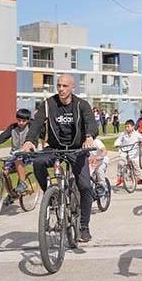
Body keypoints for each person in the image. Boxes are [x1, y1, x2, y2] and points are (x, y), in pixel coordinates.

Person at [20, 74, 98, 242]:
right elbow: (36, 124)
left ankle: (84, 226)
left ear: (72, 87)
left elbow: (91, 122)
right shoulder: (49, 104)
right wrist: (29, 141)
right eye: (59, 86)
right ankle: (51, 194)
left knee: (85, 186)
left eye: (65, 86)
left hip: (77, 149)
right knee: (38, 162)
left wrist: (89, 136)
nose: (61, 89)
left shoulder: (81, 105)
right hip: (56, 148)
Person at [0, 109, 34, 194]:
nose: (21, 123)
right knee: (5, 172)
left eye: (24, 121)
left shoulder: (32, 127)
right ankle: (11, 194)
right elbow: (3, 137)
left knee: (18, 159)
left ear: (28, 120)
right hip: (15, 155)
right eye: (19, 120)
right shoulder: (13, 127)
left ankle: (23, 183)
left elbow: (43, 134)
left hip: (28, 154)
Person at [114, 120, 142, 186]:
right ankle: (119, 178)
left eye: (128, 127)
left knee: (135, 163)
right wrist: (116, 144)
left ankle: (138, 177)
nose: (127, 128)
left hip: (133, 152)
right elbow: (118, 140)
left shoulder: (136, 134)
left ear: (133, 127)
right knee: (121, 163)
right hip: (124, 151)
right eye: (126, 127)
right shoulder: (123, 134)